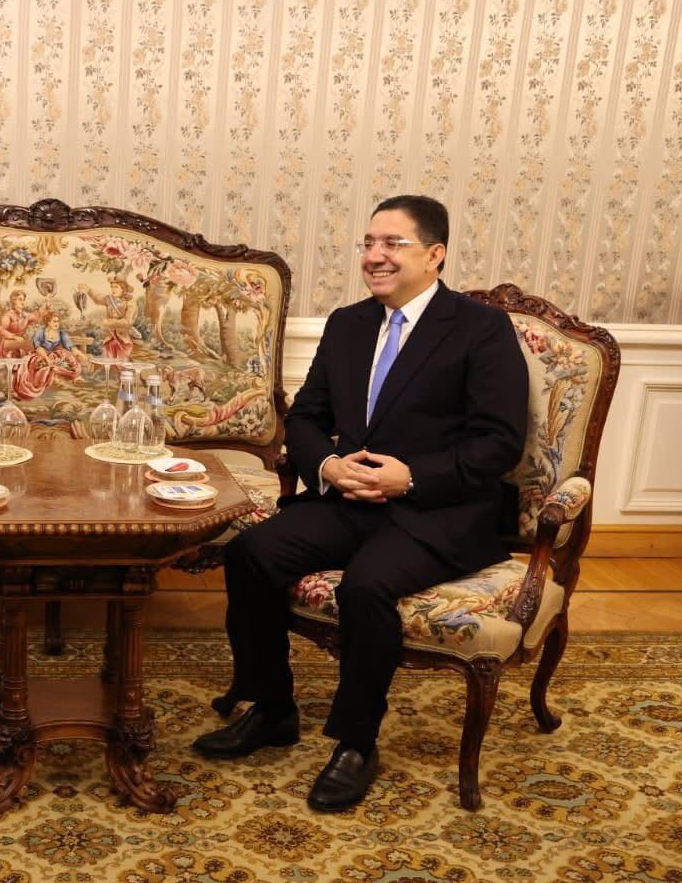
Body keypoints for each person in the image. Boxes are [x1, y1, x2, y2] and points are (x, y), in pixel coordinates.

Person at [190, 195, 528, 811]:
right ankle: (272, 708)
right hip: (351, 499)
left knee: (367, 587)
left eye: (392, 243)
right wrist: (326, 465)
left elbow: (498, 443)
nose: (375, 256)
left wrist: (411, 477)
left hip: (440, 511)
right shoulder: (348, 324)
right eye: (369, 243)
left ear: (435, 254)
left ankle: (355, 741)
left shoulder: (481, 329)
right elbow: (307, 417)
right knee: (250, 553)